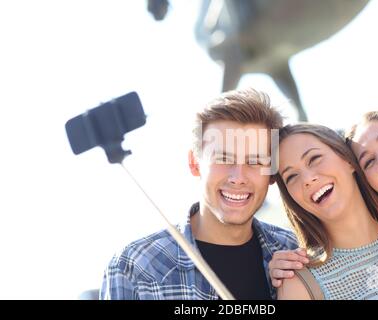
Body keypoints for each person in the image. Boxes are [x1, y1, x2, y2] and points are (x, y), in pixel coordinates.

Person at [99, 88, 307, 300]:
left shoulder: (295, 253)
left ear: (272, 173)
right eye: (224, 159)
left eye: (255, 161)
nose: (238, 177)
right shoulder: (135, 266)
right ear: (194, 163)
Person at [270, 112, 378, 298]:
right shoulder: (299, 282)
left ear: (348, 160)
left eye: (314, 159)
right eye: (291, 177)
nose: (307, 179)